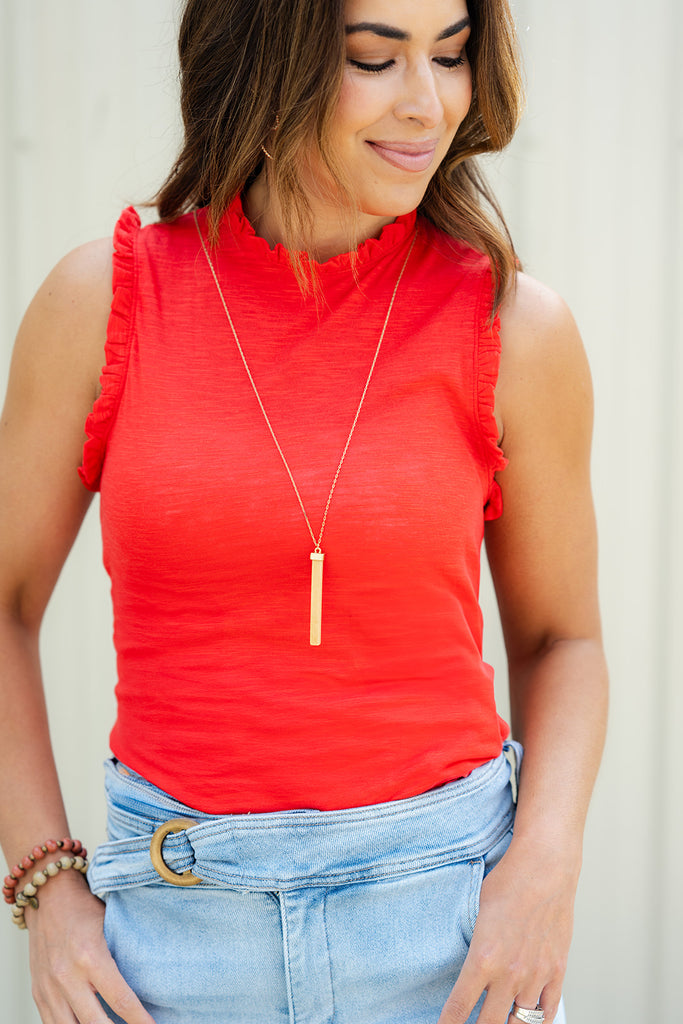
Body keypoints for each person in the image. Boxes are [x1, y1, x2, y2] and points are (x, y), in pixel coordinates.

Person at [0, 0, 608, 1022]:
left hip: (445, 930)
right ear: (264, 54)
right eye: (374, 57)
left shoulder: (514, 327)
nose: (427, 104)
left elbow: (564, 641)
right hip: (173, 938)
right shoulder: (104, 301)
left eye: (451, 55)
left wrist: (544, 868)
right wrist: (46, 888)